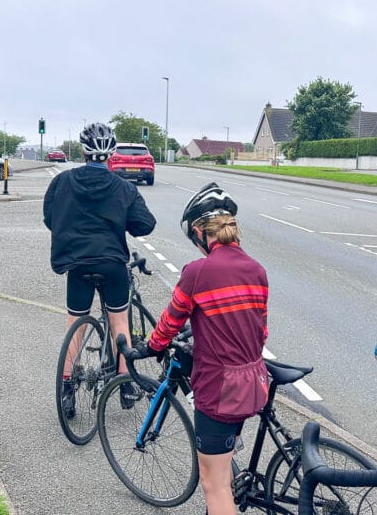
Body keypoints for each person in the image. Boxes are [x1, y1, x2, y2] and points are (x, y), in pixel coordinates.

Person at [129, 182, 269, 515]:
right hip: (253, 382)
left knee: (214, 485)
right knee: (224, 462)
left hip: (220, 390)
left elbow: (169, 325)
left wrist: (149, 347)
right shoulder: (257, 270)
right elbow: (260, 331)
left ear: (199, 232)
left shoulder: (197, 273)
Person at [44, 122, 156, 414]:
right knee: (119, 321)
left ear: (82, 151)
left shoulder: (62, 181)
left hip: (77, 264)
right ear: (112, 154)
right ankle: (124, 385)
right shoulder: (123, 187)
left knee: (75, 323)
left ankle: (67, 387)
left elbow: (49, 217)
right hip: (112, 264)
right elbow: (145, 224)